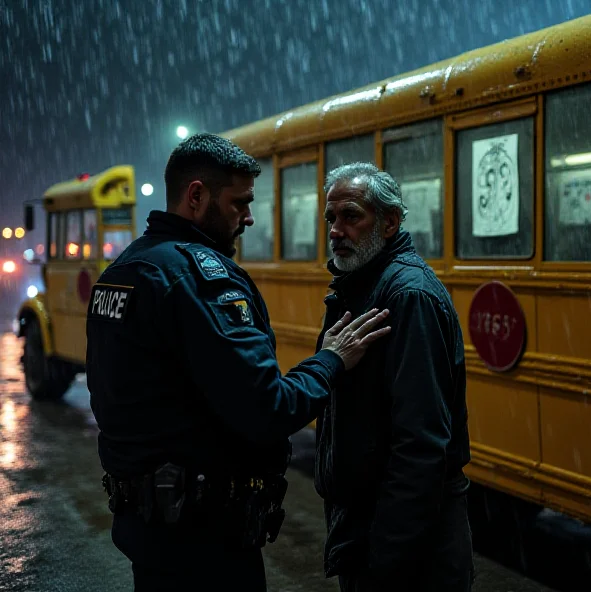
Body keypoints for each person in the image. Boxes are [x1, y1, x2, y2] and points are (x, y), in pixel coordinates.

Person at [86, 133, 390, 591]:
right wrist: (330, 359)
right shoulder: (197, 279)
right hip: (204, 544)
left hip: (148, 528)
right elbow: (269, 408)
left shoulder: (124, 272)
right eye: (239, 203)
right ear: (196, 196)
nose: (248, 218)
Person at [314, 162, 473, 591]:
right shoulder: (361, 285)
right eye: (331, 218)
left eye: (350, 216)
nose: (335, 230)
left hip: (405, 548)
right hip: (370, 527)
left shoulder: (406, 295)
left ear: (389, 223)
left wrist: (386, 558)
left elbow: (421, 444)